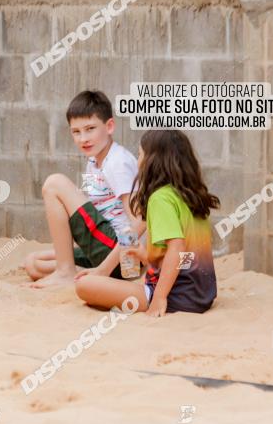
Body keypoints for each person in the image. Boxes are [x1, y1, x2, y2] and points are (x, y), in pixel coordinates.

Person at [74, 130, 220, 317]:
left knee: (84, 286)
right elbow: (188, 257)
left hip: (177, 296)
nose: (138, 160)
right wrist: (148, 257)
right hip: (202, 295)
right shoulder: (187, 197)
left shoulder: (160, 200)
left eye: (140, 154)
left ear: (153, 161)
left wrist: (159, 297)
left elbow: (177, 248)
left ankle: (154, 295)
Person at [24, 90, 141, 288]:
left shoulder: (117, 163)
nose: (83, 138)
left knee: (54, 183)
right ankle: (71, 271)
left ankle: (66, 272)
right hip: (103, 245)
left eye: (90, 129)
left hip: (121, 255)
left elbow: (138, 221)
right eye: (76, 132)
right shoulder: (93, 161)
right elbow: (90, 211)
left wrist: (116, 268)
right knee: (33, 263)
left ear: (109, 126)